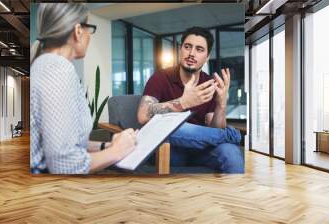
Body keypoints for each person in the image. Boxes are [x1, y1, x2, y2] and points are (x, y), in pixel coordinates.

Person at [30, 3, 137, 174]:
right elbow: (63, 164)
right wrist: (117, 151)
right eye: (90, 28)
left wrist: (106, 145)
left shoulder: (49, 65)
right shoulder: (57, 70)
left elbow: (66, 140)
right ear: (78, 31)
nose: (90, 35)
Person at [137, 27, 244, 173]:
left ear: (207, 57)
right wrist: (183, 102)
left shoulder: (209, 83)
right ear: (180, 50)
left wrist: (221, 104)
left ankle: (236, 195)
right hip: (170, 149)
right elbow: (143, 115)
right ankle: (232, 135)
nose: (192, 53)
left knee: (229, 151)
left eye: (199, 49)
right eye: (187, 47)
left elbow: (214, 128)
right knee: (171, 126)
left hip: (200, 149)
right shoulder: (161, 77)